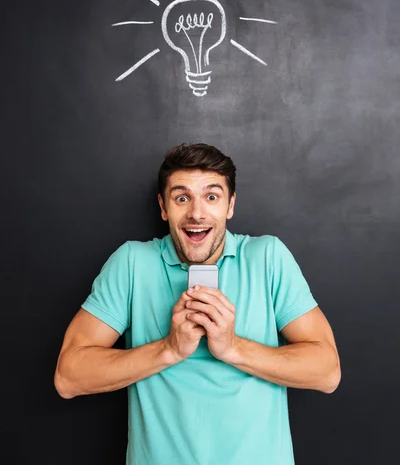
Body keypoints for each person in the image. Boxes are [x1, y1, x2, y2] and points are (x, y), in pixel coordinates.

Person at [54, 143, 341, 465]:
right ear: (163, 207)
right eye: (182, 198)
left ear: (230, 205)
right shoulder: (133, 262)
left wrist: (232, 348)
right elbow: (68, 378)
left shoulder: (267, 257)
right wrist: (170, 349)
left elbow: (327, 372)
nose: (197, 213)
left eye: (212, 196)